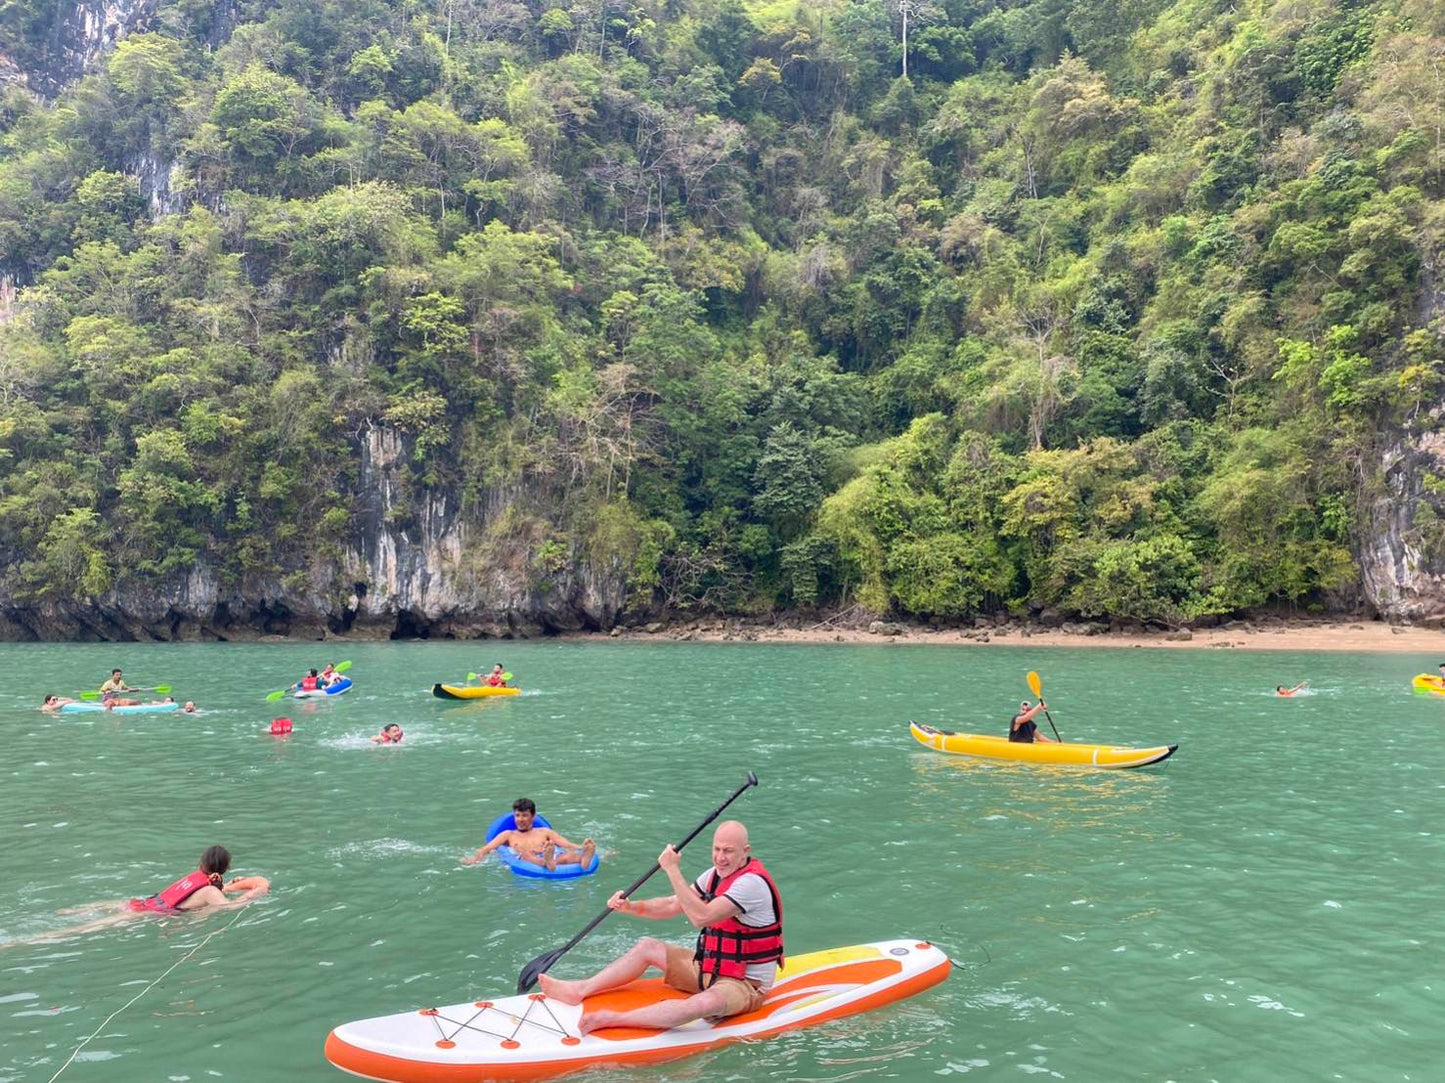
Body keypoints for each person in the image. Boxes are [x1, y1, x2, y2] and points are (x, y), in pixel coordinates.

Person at [537, 820, 781, 1035]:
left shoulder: (751, 884)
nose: (720, 857)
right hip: (711, 967)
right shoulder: (714, 875)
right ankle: (579, 989)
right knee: (648, 947)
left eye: (728, 851)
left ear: (745, 852)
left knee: (700, 1005)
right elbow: (673, 904)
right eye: (716, 849)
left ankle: (611, 1019)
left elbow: (700, 916)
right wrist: (631, 907)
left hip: (745, 983)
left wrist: (672, 869)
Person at [2, 845, 269, 946]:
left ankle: (65, 911)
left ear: (201, 865)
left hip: (142, 902)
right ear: (224, 869)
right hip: (150, 915)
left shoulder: (196, 879)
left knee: (104, 909)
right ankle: (24, 940)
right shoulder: (211, 891)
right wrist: (255, 893)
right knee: (85, 929)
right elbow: (227, 909)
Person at [462, 797, 595, 871]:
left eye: (525, 815)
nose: (520, 819)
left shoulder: (544, 832)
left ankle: (583, 861)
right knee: (526, 854)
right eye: (517, 815)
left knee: (570, 854)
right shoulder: (508, 834)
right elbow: (486, 849)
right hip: (528, 859)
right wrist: (474, 859)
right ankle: (547, 862)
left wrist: (582, 848)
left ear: (533, 816)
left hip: (551, 857)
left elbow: (565, 844)